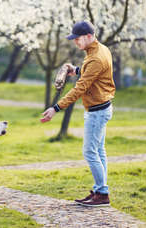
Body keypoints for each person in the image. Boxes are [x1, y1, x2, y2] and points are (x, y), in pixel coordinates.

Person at [40, 21, 115, 207]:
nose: (75, 43)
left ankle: (102, 194)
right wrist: (77, 70)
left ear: (89, 36)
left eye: (78, 39)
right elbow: (93, 72)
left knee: (90, 152)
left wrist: (55, 108)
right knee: (99, 151)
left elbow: (80, 88)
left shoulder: (96, 57)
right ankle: (100, 190)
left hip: (97, 111)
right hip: (102, 107)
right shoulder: (100, 50)